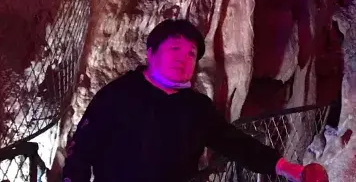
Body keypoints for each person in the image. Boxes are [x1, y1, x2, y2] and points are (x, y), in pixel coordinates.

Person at [61, 19, 328, 182]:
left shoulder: (197, 107)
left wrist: (285, 167)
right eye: (175, 48)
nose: (183, 58)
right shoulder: (118, 95)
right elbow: (82, 152)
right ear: (151, 53)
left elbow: (236, 143)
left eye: (191, 54)